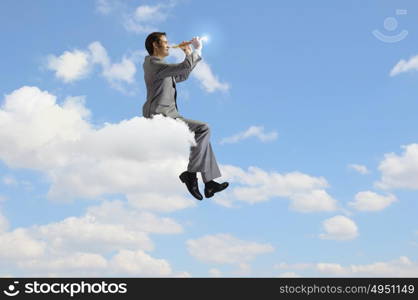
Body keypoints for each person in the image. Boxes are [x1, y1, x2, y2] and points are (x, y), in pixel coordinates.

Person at [142, 32, 228, 200]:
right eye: (165, 42)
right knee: (204, 128)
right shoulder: (153, 63)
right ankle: (191, 174)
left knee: (201, 138)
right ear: (155, 45)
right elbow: (183, 67)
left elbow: (182, 74)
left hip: (170, 116)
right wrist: (196, 50)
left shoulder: (161, 67)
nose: (168, 45)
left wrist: (190, 53)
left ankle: (209, 183)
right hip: (160, 117)